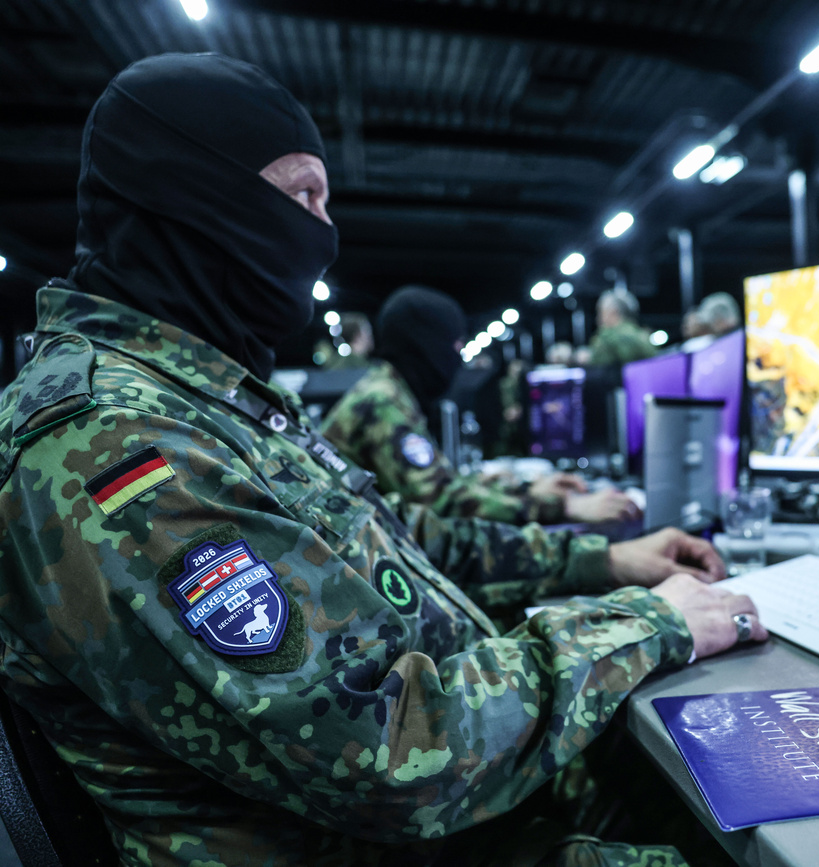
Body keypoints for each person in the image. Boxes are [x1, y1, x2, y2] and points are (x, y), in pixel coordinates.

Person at [0, 53, 767, 867]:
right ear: (192, 196)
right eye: (301, 196)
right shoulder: (111, 446)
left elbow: (399, 548)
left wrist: (602, 558)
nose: (323, 233)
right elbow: (384, 754)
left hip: (475, 813)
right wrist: (645, 626)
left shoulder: (212, 397)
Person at [322, 285, 639, 525]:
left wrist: (526, 491)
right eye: (455, 346)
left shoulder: (391, 391)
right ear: (426, 346)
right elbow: (444, 504)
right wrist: (565, 507)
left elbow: (438, 484)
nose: (458, 358)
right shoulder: (382, 403)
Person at [587, 288, 657, 368]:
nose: (597, 318)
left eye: (600, 312)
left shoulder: (606, 337)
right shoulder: (643, 335)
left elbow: (597, 365)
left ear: (613, 312)